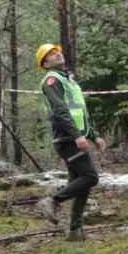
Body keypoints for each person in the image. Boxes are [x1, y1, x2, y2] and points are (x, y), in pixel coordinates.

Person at [34, 43, 106, 241]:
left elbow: (80, 113)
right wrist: (77, 136)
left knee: (81, 183)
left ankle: (75, 230)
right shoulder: (51, 80)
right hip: (67, 139)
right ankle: (52, 201)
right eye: (50, 54)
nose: (56, 54)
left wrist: (94, 135)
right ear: (45, 63)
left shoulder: (70, 82)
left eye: (57, 51)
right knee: (91, 177)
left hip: (75, 136)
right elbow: (61, 111)